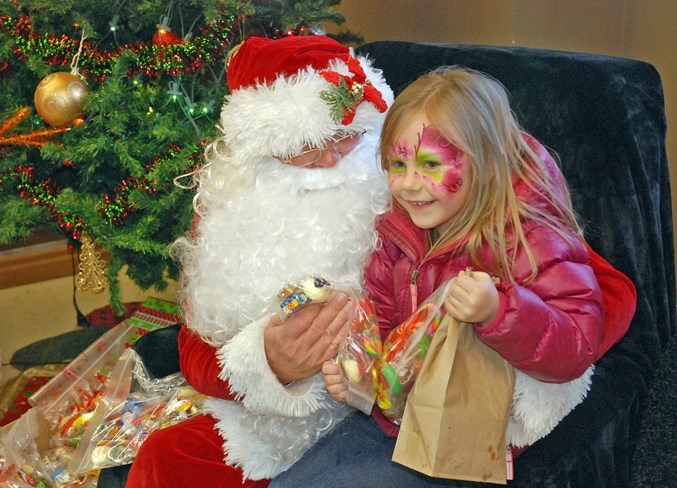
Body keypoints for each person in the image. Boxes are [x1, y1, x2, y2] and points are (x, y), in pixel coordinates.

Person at [270, 67, 636, 487]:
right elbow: (386, 328)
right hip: (398, 417)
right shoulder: (394, 230)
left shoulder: (527, 237)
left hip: (470, 432)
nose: (409, 184)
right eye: (397, 163)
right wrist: (361, 374)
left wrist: (500, 311)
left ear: (486, 163)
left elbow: (576, 342)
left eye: (430, 164)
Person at [125, 35, 394, 487]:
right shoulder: (232, 211)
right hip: (266, 426)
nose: (329, 160)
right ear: (262, 150)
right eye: (306, 145)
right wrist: (270, 364)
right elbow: (194, 352)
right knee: (165, 457)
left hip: (383, 416)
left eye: (346, 136)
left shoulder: (402, 189)